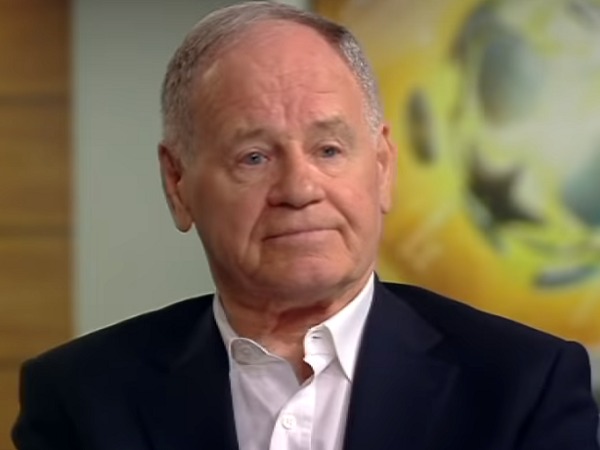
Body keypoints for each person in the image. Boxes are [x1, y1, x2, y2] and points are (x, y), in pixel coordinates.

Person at [12, 2, 600, 449]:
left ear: (383, 167)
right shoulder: (80, 399)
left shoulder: (524, 385)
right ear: (178, 182)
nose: (298, 189)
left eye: (329, 150)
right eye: (254, 158)